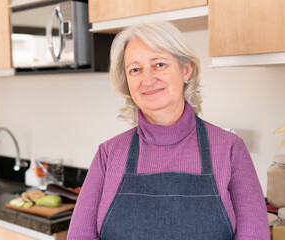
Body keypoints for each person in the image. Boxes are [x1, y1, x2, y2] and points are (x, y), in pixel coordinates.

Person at [67, 21, 269, 240]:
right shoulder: (108, 154)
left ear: (186, 69)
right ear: (127, 82)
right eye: (135, 70)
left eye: (159, 64)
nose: (148, 79)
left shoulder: (230, 149)